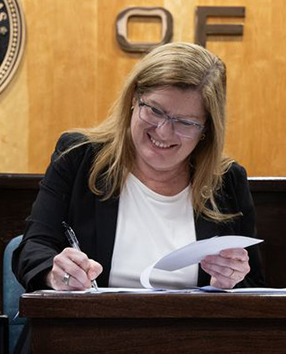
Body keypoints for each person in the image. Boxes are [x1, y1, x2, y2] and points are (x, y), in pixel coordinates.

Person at [14, 41, 263, 292]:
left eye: (185, 122)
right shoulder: (78, 157)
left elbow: (254, 284)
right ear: (134, 98)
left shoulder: (227, 181)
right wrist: (56, 274)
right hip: (90, 328)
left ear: (206, 129)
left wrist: (229, 282)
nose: (164, 132)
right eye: (155, 110)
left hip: (192, 330)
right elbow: (33, 249)